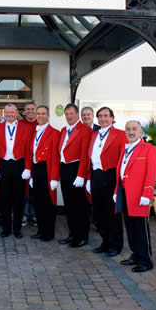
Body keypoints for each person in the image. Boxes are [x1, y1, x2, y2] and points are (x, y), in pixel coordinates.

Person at [84, 107, 127, 257]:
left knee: (112, 214)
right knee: (98, 213)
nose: (102, 119)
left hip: (111, 176)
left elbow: (123, 160)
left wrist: (119, 183)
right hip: (96, 176)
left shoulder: (121, 134)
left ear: (112, 117)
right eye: (100, 116)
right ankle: (105, 242)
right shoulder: (94, 135)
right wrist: (89, 178)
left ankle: (115, 245)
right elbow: (90, 158)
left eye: (106, 116)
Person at [115, 120, 156, 273]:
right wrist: (116, 192)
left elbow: (151, 173)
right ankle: (135, 255)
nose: (131, 132)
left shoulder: (148, 149)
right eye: (128, 129)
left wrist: (147, 193)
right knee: (130, 227)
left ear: (140, 132)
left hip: (139, 196)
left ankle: (146, 260)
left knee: (140, 229)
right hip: (125, 193)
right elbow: (120, 172)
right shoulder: (125, 149)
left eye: (134, 129)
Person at [0, 103, 34, 238]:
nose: (9, 115)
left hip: (19, 165)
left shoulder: (26, 128)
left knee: (18, 199)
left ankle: (17, 229)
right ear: (5, 114)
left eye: (12, 112)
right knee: (4, 199)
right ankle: (6, 228)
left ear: (17, 113)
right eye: (7, 112)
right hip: (3, 165)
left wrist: (27, 167)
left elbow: (29, 149)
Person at [57, 103, 92, 248]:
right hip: (65, 169)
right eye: (67, 114)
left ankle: (82, 236)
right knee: (69, 205)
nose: (69, 116)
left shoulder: (85, 130)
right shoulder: (64, 130)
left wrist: (81, 175)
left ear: (77, 115)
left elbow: (85, 154)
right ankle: (72, 234)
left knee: (80, 206)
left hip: (77, 169)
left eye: (71, 113)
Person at [29, 105, 59, 242]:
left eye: (43, 113)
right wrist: (30, 175)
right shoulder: (35, 131)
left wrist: (54, 178)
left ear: (48, 116)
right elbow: (31, 154)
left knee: (48, 204)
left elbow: (55, 157)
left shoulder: (54, 132)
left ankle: (48, 233)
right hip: (36, 170)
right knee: (38, 203)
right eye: (38, 113)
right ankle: (40, 230)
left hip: (47, 170)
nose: (40, 116)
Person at [21, 102, 38, 228]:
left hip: (37, 162)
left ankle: (35, 214)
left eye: (32, 109)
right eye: (28, 109)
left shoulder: (41, 124)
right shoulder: (20, 125)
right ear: (24, 111)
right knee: (23, 189)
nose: (30, 111)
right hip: (22, 161)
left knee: (35, 189)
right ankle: (24, 214)